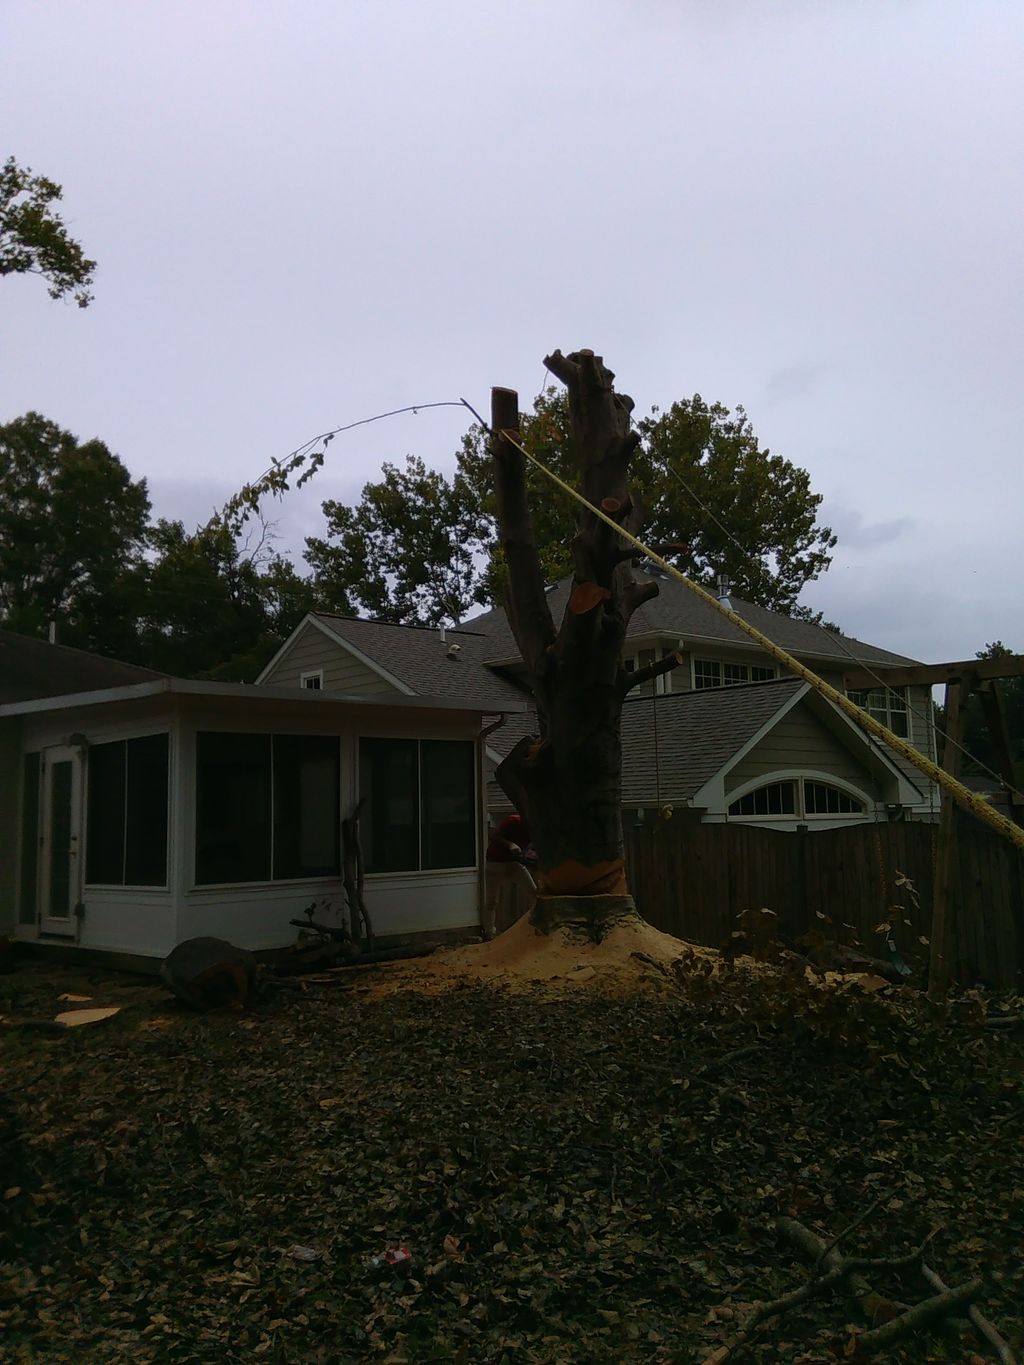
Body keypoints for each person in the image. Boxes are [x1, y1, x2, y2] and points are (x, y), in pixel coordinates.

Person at [483, 811, 537, 938]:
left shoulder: (535, 830)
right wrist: (509, 845)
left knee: (534, 893)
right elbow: (494, 836)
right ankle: (489, 932)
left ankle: (535, 924)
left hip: (514, 863)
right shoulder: (513, 821)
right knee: (492, 900)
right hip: (495, 862)